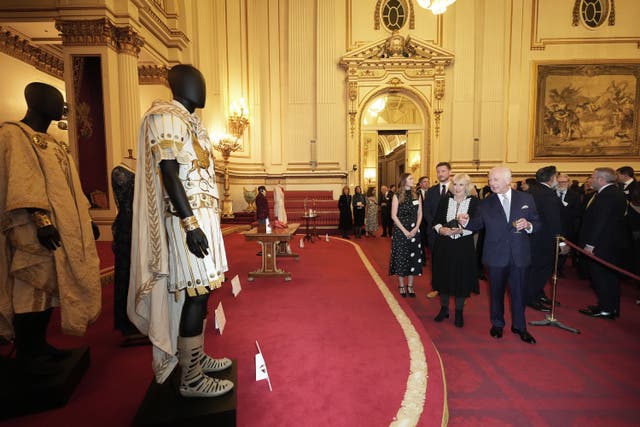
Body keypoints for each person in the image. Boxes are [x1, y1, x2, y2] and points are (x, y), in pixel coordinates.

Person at [128, 64, 233, 398]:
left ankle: (196, 360)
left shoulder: (193, 123)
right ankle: (191, 379)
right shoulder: (166, 117)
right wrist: (190, 225)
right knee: (196, 293)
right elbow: (170, 175)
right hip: (187, 220)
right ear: (180, 84)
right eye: (196, 81)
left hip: (205, 216)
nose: (201, 87)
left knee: (203, 292)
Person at [0, 82, 101, 370]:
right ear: (37, 101)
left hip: (62, 229)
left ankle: (39, 344)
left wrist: (87, 218)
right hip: (31, 230)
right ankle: (28, 351)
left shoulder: (55, 143)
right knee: (29, 287)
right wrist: (41, 220)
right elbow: (20, 180)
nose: (62, 105)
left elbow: (72, 188)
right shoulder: (13, 134)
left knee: (47, 291)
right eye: (56, 100)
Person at [458, 166, 540, 344]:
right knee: (496, 293)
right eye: (490, 180)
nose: (491, 183)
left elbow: (537, 223)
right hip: (496, 256)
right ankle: (497, 324)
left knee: (519, 293)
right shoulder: (485, 203)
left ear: (507, 181)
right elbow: (477, 224)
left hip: (520, 255)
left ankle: (520, 326)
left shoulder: (526, 199)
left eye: (495, 179)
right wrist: (466, 222)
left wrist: (528, 225)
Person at [578, 167, 629, 319]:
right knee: (610, 278)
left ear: (601, 179)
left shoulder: (607, 195)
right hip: (610, 244)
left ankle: (606, 308)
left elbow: (601, 222)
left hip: (602, 246)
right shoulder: (614, 192)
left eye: (593, 177)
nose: (590, 179)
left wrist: (590, 245)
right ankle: (610, 307)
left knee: (602, 277)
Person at [431, 173, 479, 327]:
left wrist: (461, 231)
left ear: (467, 186)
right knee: (444, 276)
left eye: (461, 185)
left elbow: (478, 224)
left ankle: (459, 311)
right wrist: (441, 230)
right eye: (456, 185)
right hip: (444, 244)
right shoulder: (445, 200)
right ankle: (444, 308)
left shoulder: (475, 202)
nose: (458, 188)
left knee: (461, 278)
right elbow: (436, 221)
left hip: (463, 245)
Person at [112, 153, 147, 343]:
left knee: (141, 274)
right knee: (126, 275)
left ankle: (141, 316)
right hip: (128, 229)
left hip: (143, 229)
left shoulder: (141, 169)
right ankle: (127, 322)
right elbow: (126, 204)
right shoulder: (119, 172)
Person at [525, 166, 567, 313]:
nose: (558, 179)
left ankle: (538, 294)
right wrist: (561, 241)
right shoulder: (548, 194)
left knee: (534, 269)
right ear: (551, 178)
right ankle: (531, 297)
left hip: (531, 237)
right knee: (541, 270)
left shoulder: (531, 190)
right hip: (545, 239)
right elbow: (554, 220)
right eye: (557, 176)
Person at [389, 173, 423, 298]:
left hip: (415, 230)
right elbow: (393, 215)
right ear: (404, 181)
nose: (413, 180)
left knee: (413, 258)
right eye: (411, 179)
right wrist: (404, 231)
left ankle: (410, 285)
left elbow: (420, 212)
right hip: (400, 231)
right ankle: (402, 285)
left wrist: (416, 228)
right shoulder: (397, 195)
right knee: (402, 258)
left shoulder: (417, 194)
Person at [425, 162, 452, 298]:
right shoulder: (431, 191)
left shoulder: (457, 188)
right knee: (436, 261)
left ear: (449, 172)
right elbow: (427, 212)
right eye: (438, 172)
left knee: (452, 262)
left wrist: (451, 228)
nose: (440, 174)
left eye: (443, 171)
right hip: (435, 233)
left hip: (453, 233)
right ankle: (437, 288)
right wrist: (437, 227)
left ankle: (455, 291)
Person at [556, 173, 582, 277]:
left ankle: (559, 268)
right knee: (552, 249)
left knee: (564, 250)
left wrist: (564, 208)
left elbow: (577, 212)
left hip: (567, 228)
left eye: (564, 182)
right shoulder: (551, 193)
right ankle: (552, 268)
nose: (561, 184)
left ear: (568, 183)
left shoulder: (575, 195)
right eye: (559, 182)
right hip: (553, 228)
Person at [417, 176, 430, 265]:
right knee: (421, 239)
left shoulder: (432, 193)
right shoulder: (416, 193)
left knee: (430, 239)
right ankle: (422, 259)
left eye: (428, 181)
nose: (427, 183)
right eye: (425, 182)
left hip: (430, 221)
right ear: (420, 184)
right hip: (420, 221)